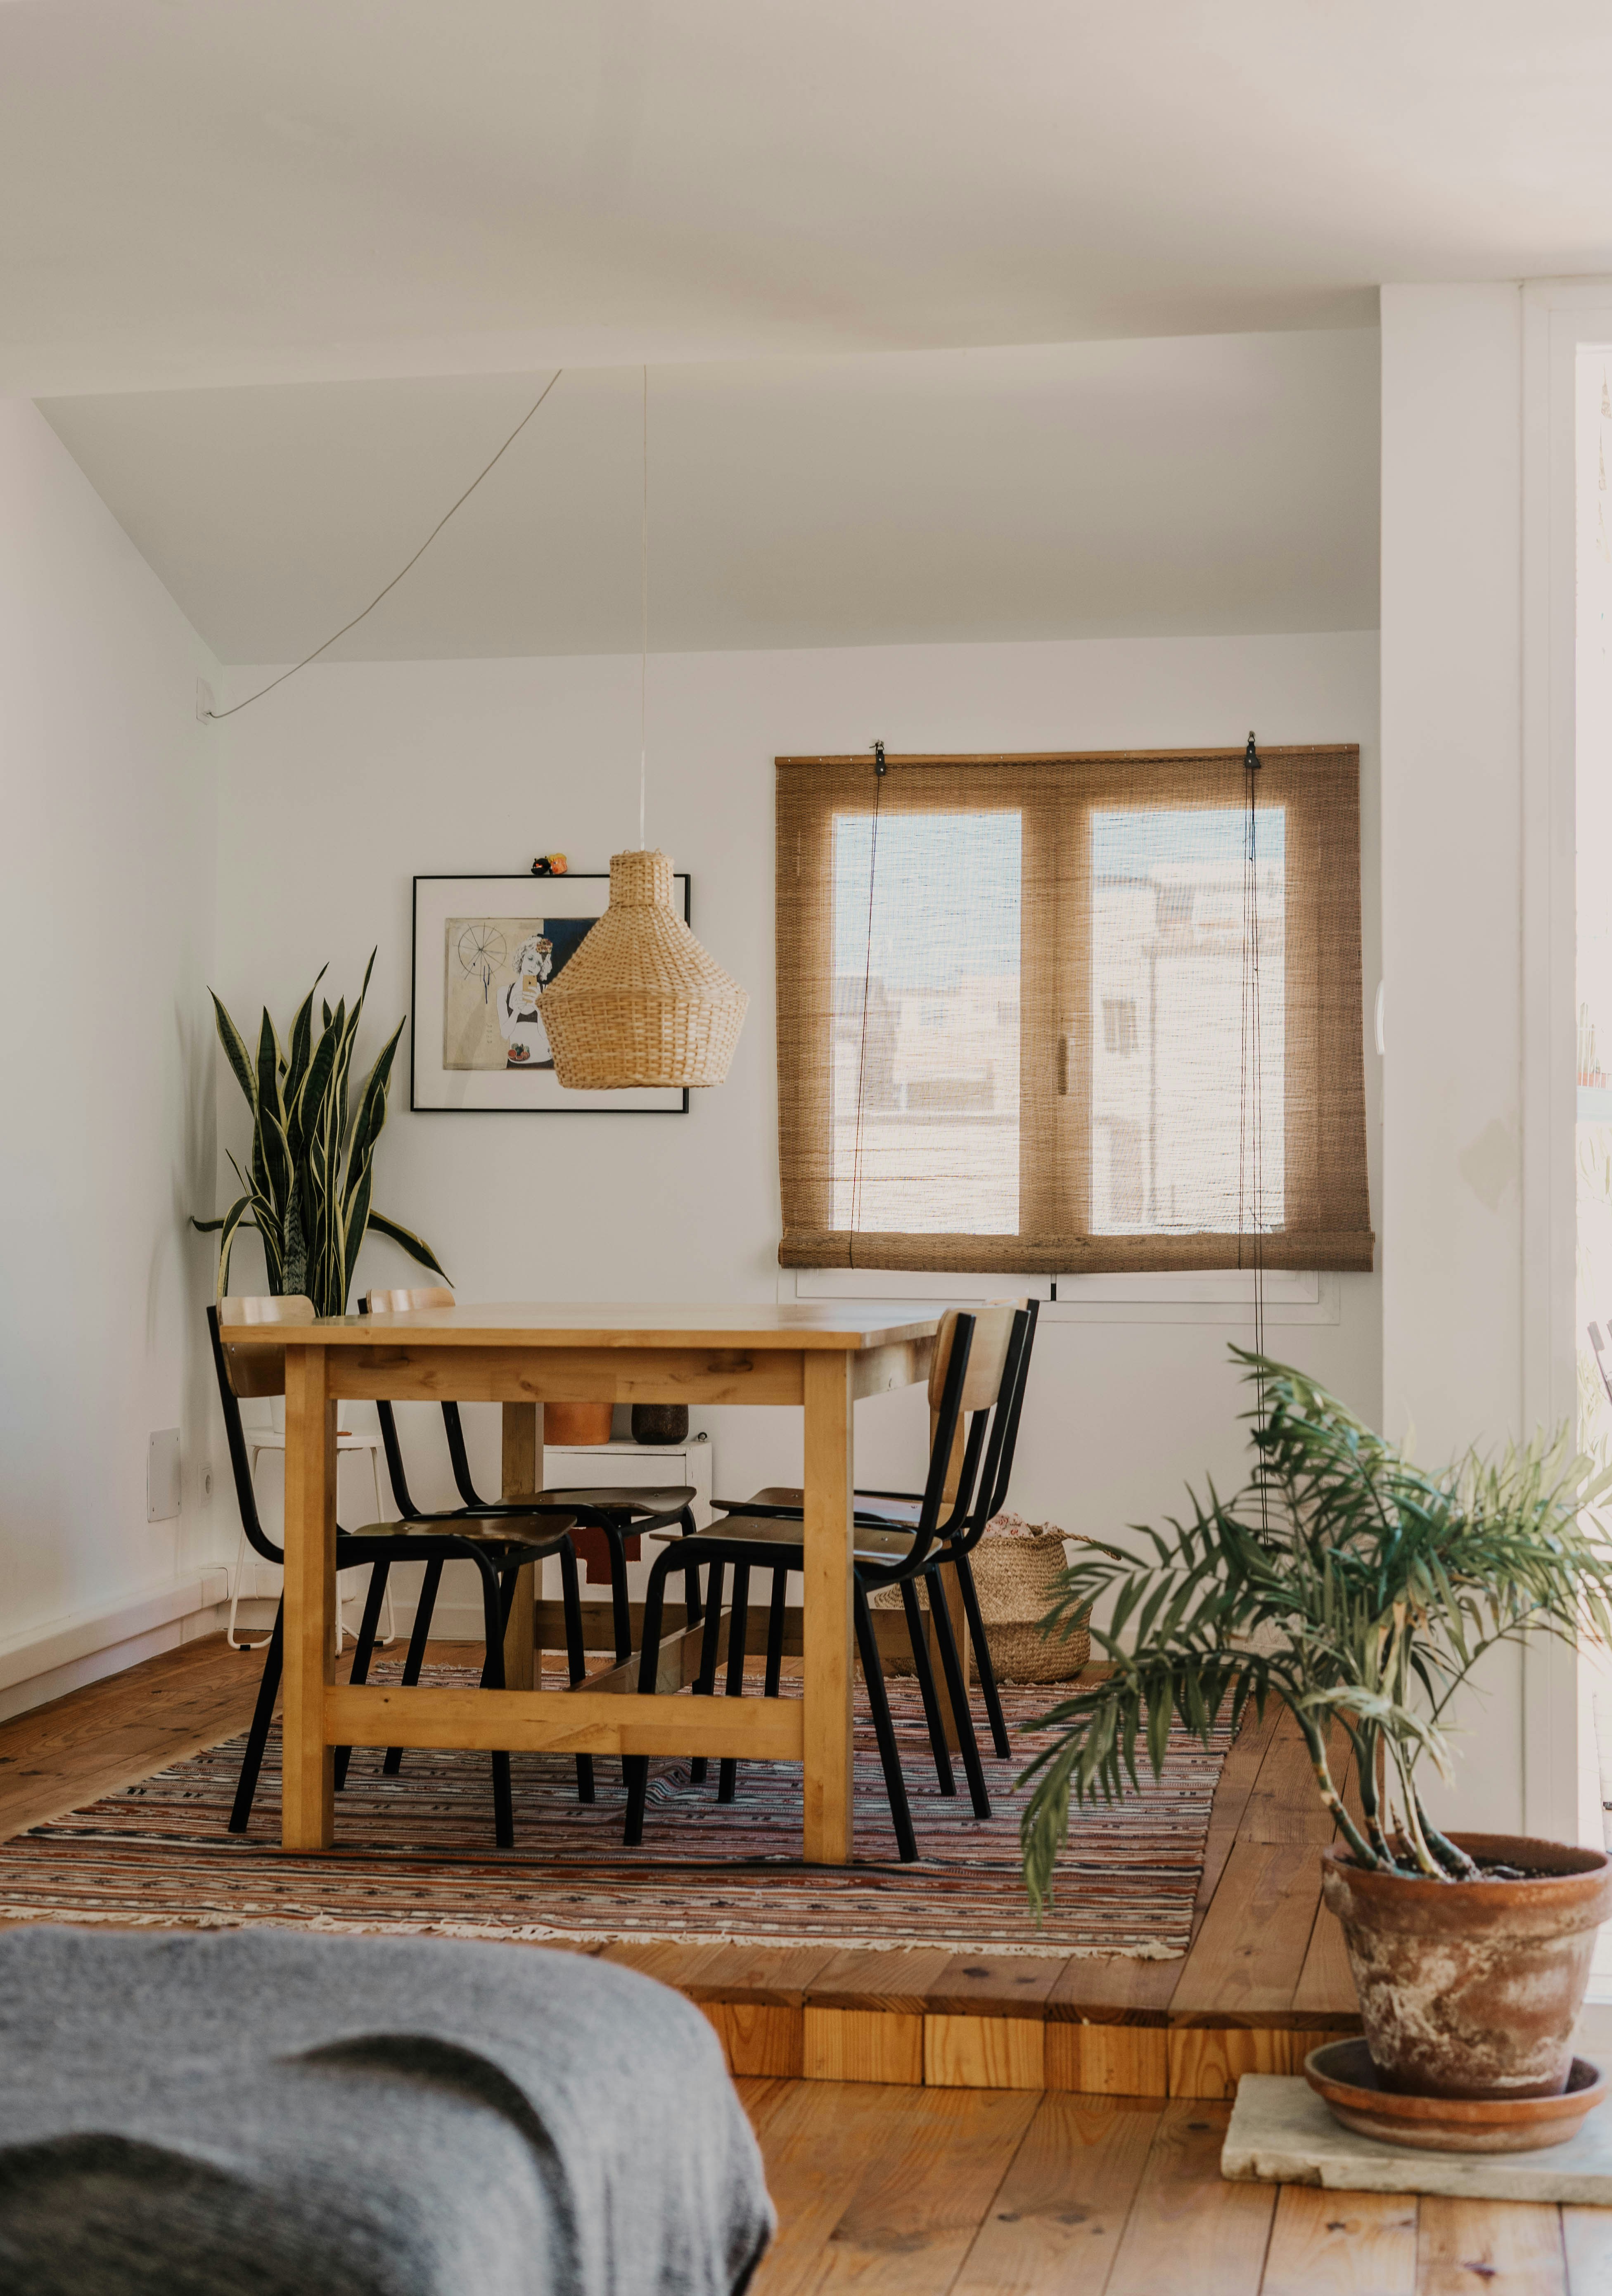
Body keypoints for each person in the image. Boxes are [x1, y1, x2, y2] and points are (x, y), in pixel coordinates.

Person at [498, 934, 554, 1069]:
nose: (533, 966)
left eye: (539, 963)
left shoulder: (547, 991)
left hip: (545, 1065)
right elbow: (505, 1034)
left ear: (542, 968)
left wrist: (539, 1008)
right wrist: (516, 1012)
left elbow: (546, 1035)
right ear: (522, 957)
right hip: (516, 1065)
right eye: (530, 958)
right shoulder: (504, 992)